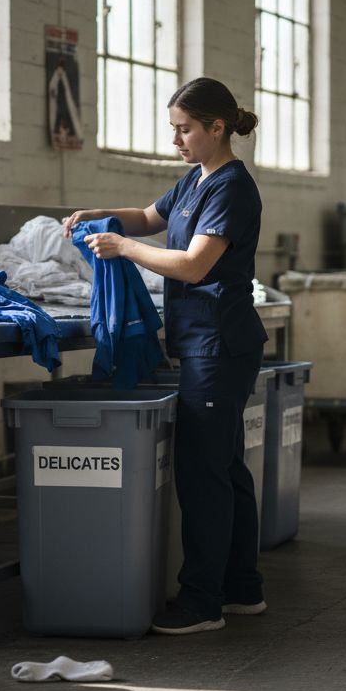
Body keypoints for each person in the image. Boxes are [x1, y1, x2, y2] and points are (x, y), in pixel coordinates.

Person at [62, 77, 268, 635]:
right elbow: (151, 216)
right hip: (209, 343)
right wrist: (100, 216)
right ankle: (242, 588)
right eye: (174, 129)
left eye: (184, 130)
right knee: (224, 466)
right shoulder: (195, 179)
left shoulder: (230, 187)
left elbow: (195, 265)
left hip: (218, 344)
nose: (176, 139)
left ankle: (202, 604)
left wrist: (123, 249)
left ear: (216, 128)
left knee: (203, 473)